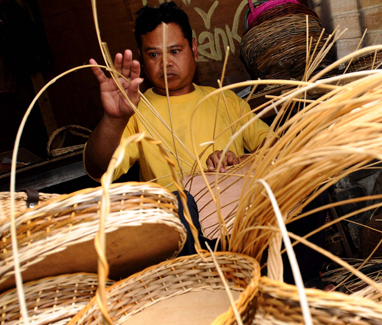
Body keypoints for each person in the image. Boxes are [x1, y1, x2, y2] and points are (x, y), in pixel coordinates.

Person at [84, 2, 269, 255]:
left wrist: (238, 162)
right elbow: (99, 168)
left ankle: (303, 281)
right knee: (182, 205)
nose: (165, 63)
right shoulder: (136, 111)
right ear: (141, 56)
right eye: (153, 54)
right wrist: (114, 119)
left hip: (242, 225)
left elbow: (274, 147)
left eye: (174, 50)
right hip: (185, 239)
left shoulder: (225, 100)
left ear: (193, 49)